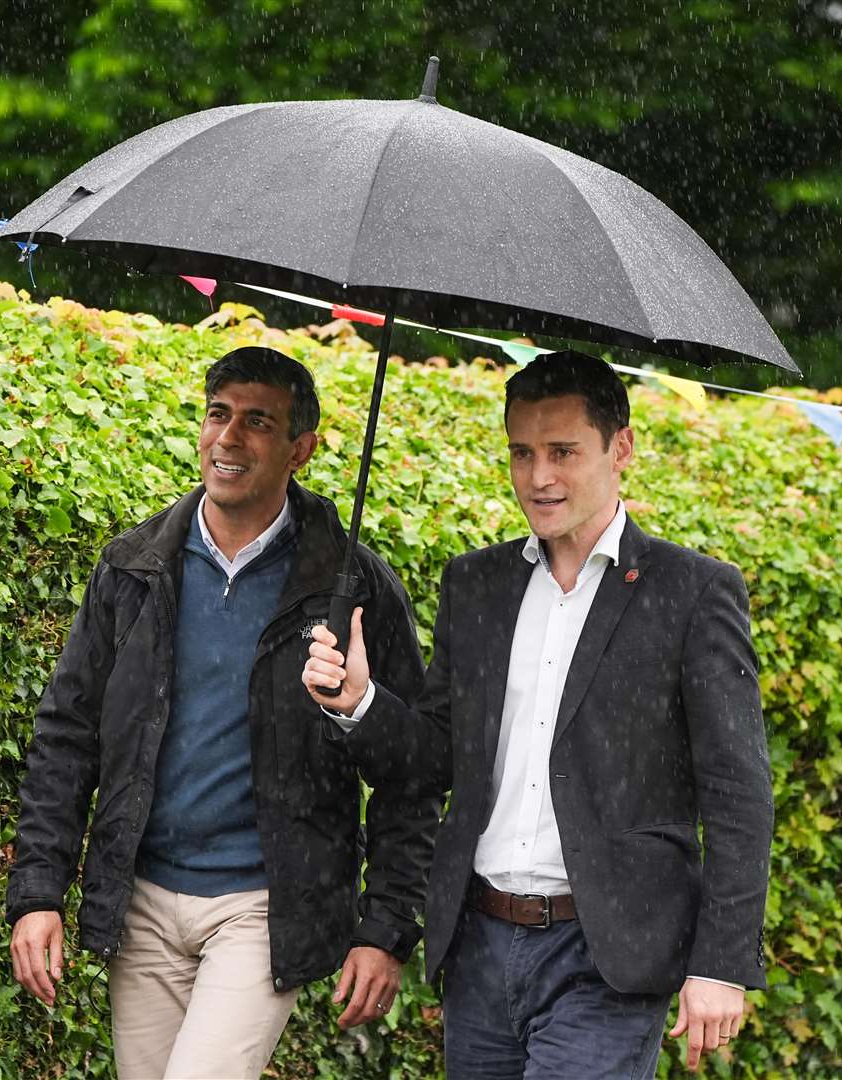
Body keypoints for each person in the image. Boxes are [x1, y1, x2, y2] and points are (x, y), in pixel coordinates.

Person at [303, 350, 773, 1078]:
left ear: (622, 447)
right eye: (522, 453)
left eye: (562, 452)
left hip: (607, 956)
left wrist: (720, 963)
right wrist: (360, 701)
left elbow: (739, 794)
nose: (539, 477)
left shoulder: (693, 592)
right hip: (481, 945)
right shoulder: (476, 584)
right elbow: (433, 762)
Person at [8, 346, 435, 1080]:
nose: (228, 438)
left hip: (260, 910)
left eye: (258, 422)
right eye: (218, 414)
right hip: (142, 900)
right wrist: (38, 891)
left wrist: (387, 928)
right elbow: (67, 735)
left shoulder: (351, 586)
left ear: (301, 448)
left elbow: (418, 769)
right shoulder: (134, 566)